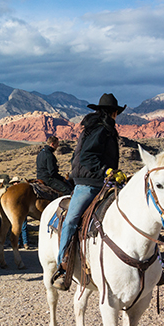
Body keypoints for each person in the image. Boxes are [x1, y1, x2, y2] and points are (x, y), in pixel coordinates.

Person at [51, 93, 125, 291]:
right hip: (89, 184)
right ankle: (63, 266)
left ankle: (152, 263)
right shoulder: (100, 129)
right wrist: (106, 171)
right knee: (72, 219)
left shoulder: (104, 129)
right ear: (114, 112)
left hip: (104, 182)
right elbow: (87, 157)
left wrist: (113, 173)